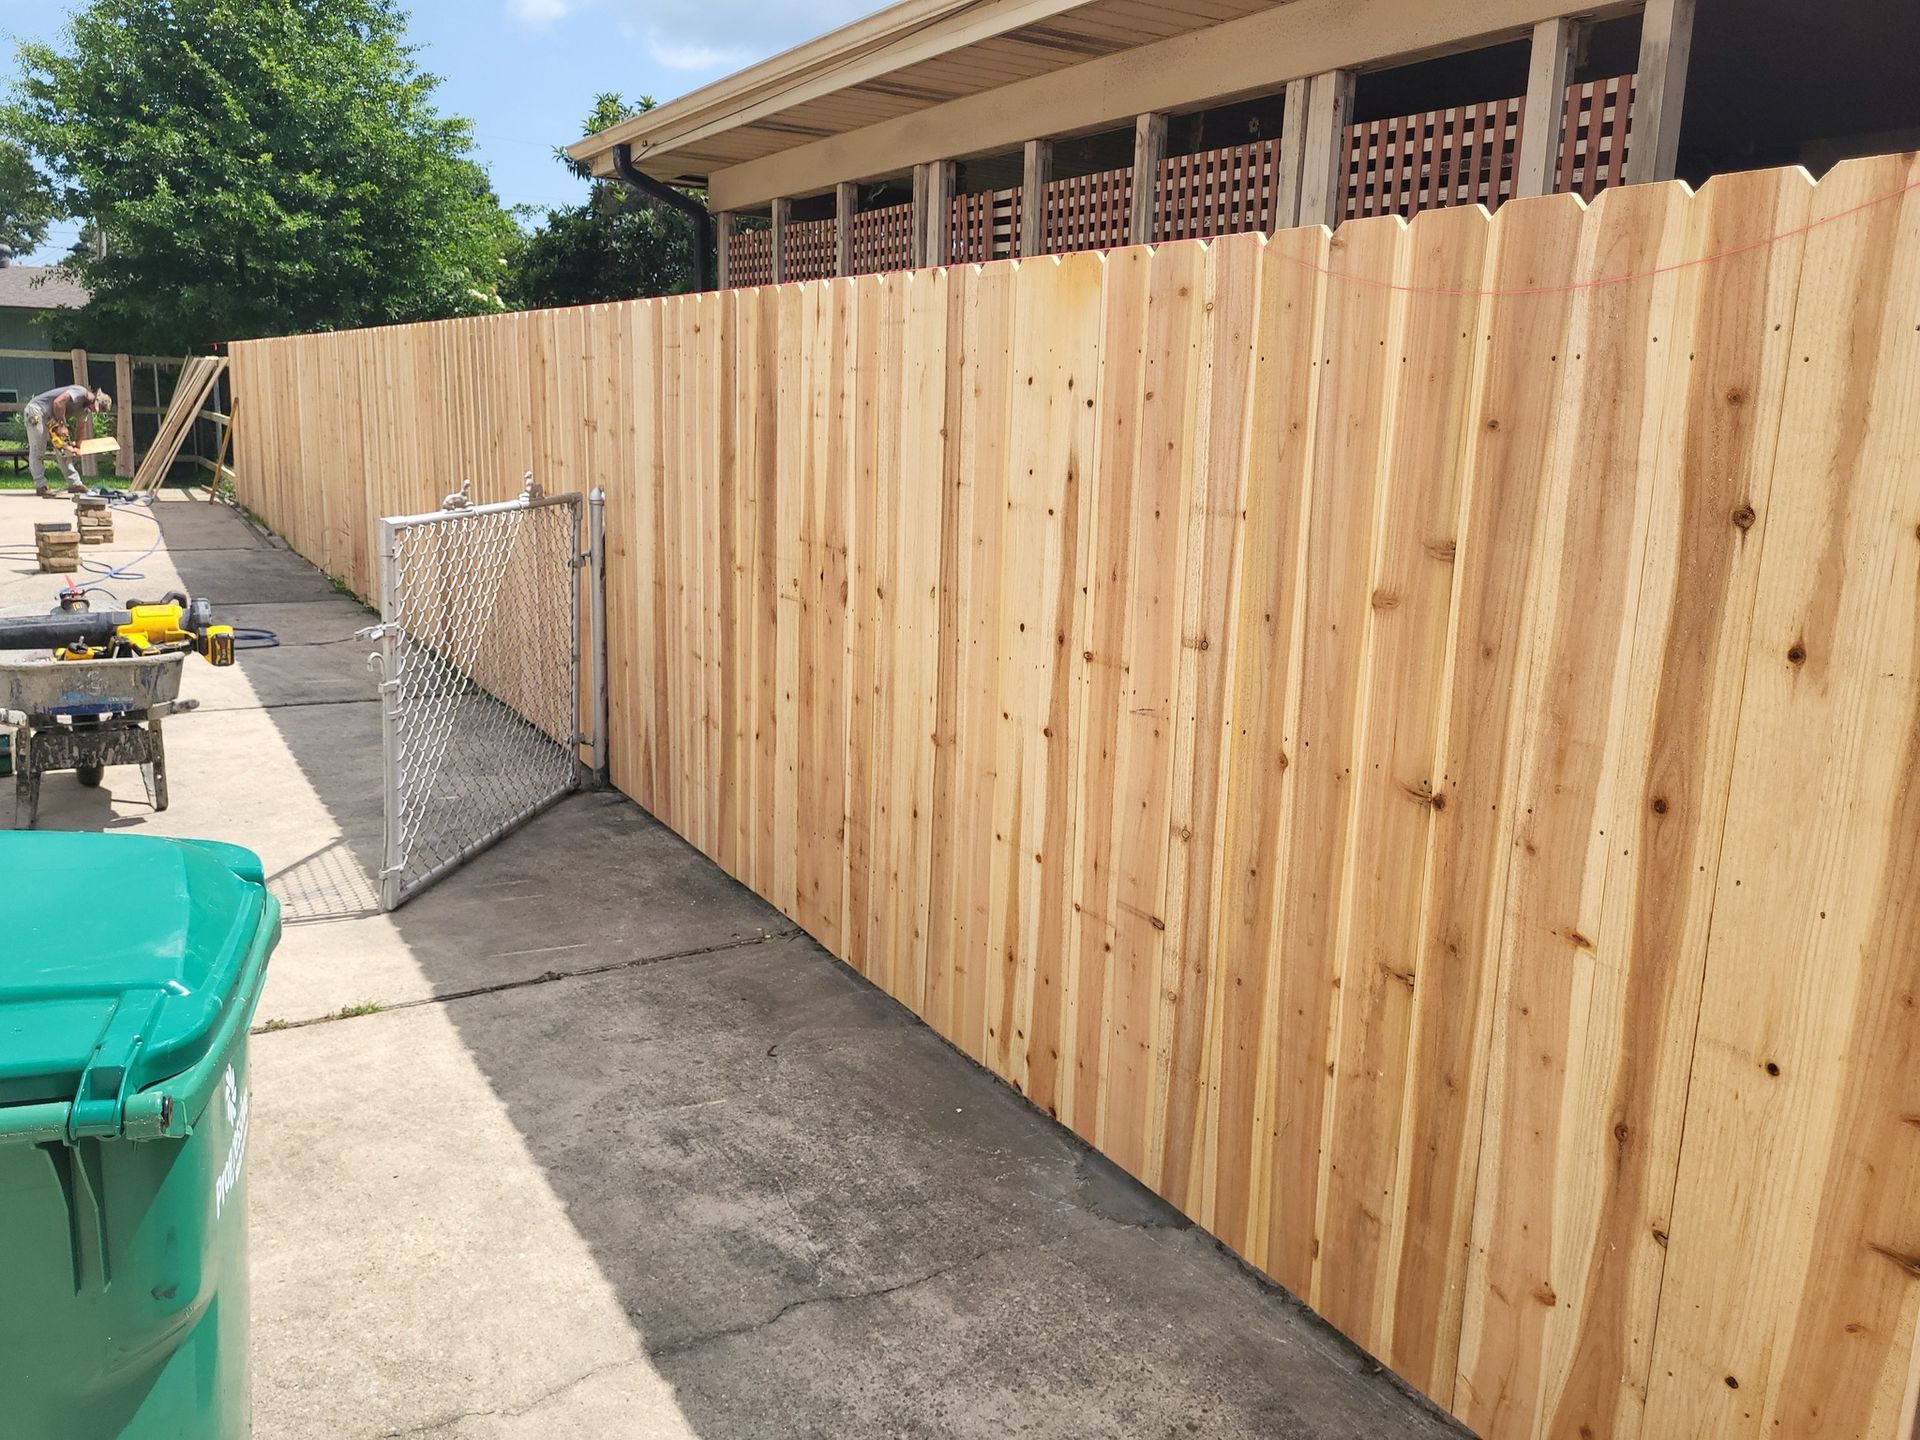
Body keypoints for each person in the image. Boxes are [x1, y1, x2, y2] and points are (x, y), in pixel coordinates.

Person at [25, 384, 112, 498]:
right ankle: (41, 486)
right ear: (94, 399)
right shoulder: (80, 393)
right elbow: (58, 402)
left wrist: (77, 447)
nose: (92, 410)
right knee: (38, 449)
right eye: (94, 407)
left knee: (64, 449)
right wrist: (62, 425)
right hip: (37, 410)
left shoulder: (85, 410)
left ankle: (74, 483)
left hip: (52, 417)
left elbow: (80, 427)